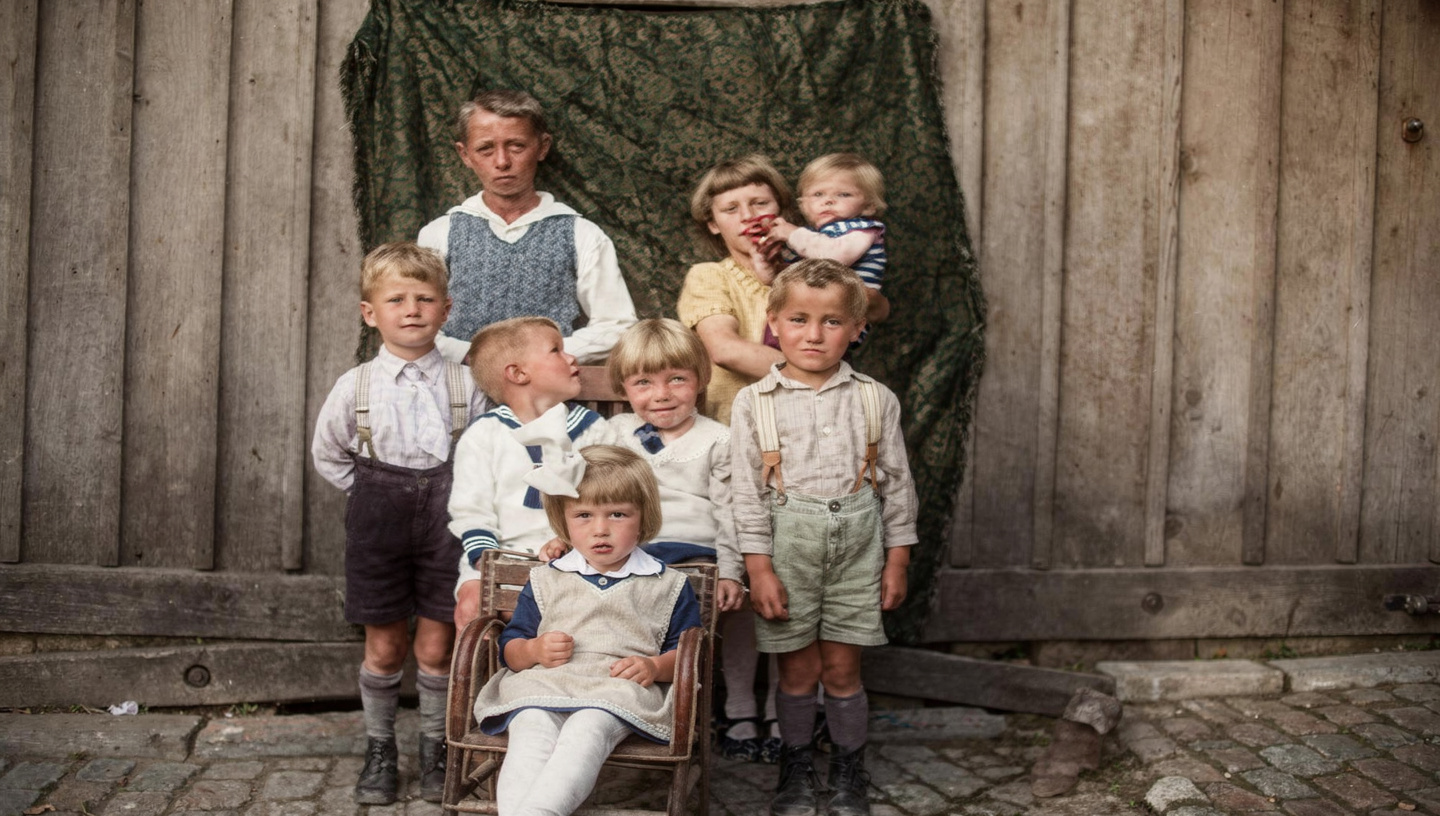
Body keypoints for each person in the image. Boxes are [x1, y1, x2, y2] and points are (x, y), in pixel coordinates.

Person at [539, 318, 778, 761]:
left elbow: (730, 511)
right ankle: (601, 695)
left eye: (677, 380)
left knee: (731, 609)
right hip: (626, 549)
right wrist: (562, 538)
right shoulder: (614, 432)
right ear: (625, 388)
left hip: (695, 553)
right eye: (643, 383)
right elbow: (579, 491)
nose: (661, 394)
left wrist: (731, 572)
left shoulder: (718, 439)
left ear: (700, 379)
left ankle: (728, 706)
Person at [729, 260, 919, 816]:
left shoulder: (875, 398)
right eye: (799, 319)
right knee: (797, 671)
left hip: (859, 551)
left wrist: (898, 561)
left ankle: (848, 772)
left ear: (857, 328)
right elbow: (746, 495)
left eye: (832, 321)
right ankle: (794, 769)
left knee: (841, 669)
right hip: (787, 552)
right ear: (773, 323)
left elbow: (898, 486)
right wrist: (759, 569)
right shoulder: (754, 402)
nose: (814, 334)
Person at [311, 242, 487, 804]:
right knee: (385, 647)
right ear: (370, 313)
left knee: (436, 648)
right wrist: (371, 494)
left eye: (424, 299)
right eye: (396, 300)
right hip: (378, 527)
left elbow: (484, 453)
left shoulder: (466, 384)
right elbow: (328, 454)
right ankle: (380, 750)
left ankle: (435, 748)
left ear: (446, 309)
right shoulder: (356, 385)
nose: (412, 309)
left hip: (448, 526)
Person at [473, 445, 703, 816]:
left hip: (617, 692)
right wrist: (533, 650)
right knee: (530, 727)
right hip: (545, 686)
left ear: (643, 517)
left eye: (617, 514)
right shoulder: (547, 578)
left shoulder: (668, 585)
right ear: (563, 522)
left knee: (587, 728)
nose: (600, 529)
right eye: (583, 515)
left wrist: (654, 667)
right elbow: (511, 648)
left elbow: (688, 654)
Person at [418, 89, 636, 364]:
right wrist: (472, 355)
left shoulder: (581, 234)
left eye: (516, 146)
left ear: (542, 147)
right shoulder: (439, 234)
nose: (502, 162)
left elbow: (617, 325)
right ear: (465, 154)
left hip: (547, 387)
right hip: (456, 384)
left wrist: (541, 356)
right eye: (486, 149)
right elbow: (415, 319)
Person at [448, 316, 619, 629]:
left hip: (574, 553)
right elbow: (471, 511)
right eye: (556, 350)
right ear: (518, 373)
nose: (571, 358)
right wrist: (486, 565)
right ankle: (486, 662)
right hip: (497, 554)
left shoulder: (594, 431)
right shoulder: (484, 434)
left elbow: (610, 498)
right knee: (471, 607)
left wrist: (570, 542)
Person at [675, 155, 793, 423]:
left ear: (780, 211)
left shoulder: (806, 274)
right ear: (713, 224)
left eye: (760, 203)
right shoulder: (709, 276)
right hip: (734, 431)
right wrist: (815, 378)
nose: (748, 217)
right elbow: (725, 350)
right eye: (731, 209)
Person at [761, 153, 891, 329]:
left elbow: (834, 258)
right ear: (804, 205)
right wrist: (766, 257)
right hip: (814, 315)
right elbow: (787, 274)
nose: (828, 201)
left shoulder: (862, 229)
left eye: (844, 194)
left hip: (844, 320)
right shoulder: (812, 237)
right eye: (818, 194)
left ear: (868, 206)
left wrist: (792, 233)